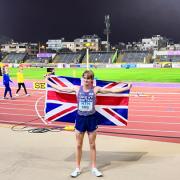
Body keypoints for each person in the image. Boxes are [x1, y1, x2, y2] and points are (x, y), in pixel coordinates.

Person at [45, 70, 132, 178]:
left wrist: (127, 88)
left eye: (88, 78)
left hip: (92, 119)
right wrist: (47, 80)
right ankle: (77, 168)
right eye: (85, 78)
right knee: (78, 145)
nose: (86, 80)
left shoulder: (96, 89)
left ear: (92, 80)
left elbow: (112, 91)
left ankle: (94, 168)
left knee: (92, 145)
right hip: (80, 119)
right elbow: (60, 88)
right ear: (82, 79)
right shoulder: (77, 89)